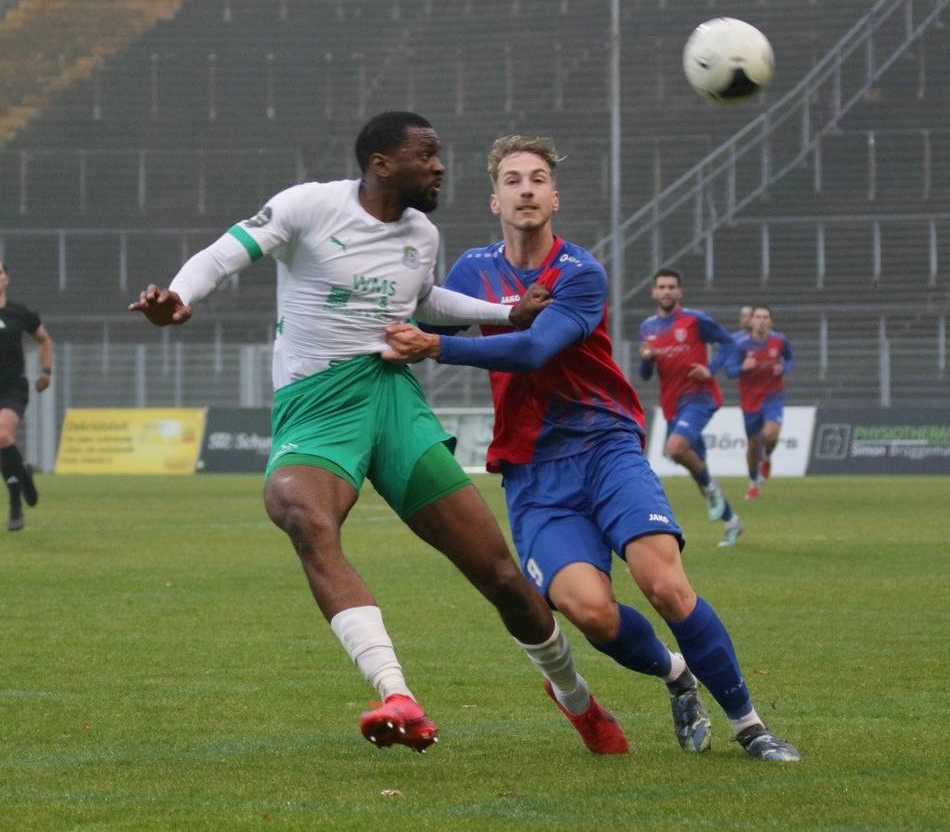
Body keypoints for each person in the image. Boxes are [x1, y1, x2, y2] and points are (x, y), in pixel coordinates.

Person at [130, 111, 627, 756]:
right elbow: (224, 255)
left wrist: (507, 312)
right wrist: (179, 296)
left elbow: (423, 302)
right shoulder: (308, 207)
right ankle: (397, 695)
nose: (440, 166)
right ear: (382, 164)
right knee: (300, 514)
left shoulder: (421, 230)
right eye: (428, 155)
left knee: (500, 574)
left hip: (392, 399)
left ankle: (577, 700)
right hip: (317, 403)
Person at [381, 134, 800, 762]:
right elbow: (417, 322)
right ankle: (675, 675)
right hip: (533, 468)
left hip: (604, 445)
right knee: (591, 612)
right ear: (494, 199)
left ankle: (750, 726)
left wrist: (435, 347)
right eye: (513, 179)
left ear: (555, 196)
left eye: (537, 178)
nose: (526, 188)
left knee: (665, 584)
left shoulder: (579, 271)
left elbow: (529, 348)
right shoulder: (472, 269)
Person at [638, 269, 743, 548]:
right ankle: (732, 522)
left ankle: (711, 489)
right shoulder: (648, 327)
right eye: (661, 286)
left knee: (675, 448)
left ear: (679, 292)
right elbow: (645, 374)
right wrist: (646, 359)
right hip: (672, 405)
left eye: (672, 286)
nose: (667, 291)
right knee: (697, 467)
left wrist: (711, 369)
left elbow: (729, 342)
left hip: (699, 397)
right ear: (654, 292)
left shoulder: (694, 320)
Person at [0, 260, 52, 532]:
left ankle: (14, 505)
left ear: (6, 279)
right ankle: (23, 474)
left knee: (2, 436)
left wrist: (45, 371)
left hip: (11, 388)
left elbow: (44, 339)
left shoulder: (18, 313)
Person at [728, 305, 794, 500]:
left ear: (770, 321)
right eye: (758, 317)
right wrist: (742, 367)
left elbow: (790, 359)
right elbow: (730, 371)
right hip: (750, 401)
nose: (762, 320)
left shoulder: (780, 341)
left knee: (771, 432)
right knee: (752, 445)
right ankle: (753, 480)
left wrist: (784, 367)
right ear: (751, 321)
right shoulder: (741, 345)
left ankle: (766, 458)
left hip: (773, 396)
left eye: (765, 317)